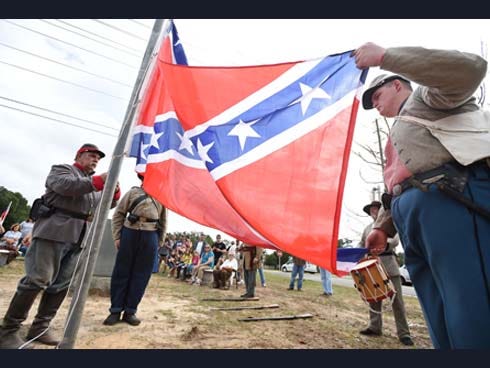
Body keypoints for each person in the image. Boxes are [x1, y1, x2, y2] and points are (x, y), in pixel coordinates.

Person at [353, 42, 490, 349]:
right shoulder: (397, 132)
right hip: (412, 217)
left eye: (377, 95)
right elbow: (398, 184)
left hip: (451, 203)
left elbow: (472, 69)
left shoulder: (431, 97)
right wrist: (382, 227)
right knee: (437, 310)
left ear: (397, 84)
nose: (375, 104)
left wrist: (385, 57)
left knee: (469, 305)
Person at [0, 143, 119, 349]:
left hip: (79, 236)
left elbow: (102, 202)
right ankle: (8, 331)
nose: (95, 159)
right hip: (53, 231)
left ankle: (40, 328)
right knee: (37, 279)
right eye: (91, 155)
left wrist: (114, 194)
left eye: (98, 158)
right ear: (79, 156)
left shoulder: (91, 183)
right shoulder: (62, 170)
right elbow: (67, 186)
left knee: (61, 284)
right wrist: (100, 181)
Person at [103, 173, 167, 327]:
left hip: (150, 235)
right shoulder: (133, 193)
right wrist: (117, 237)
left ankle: (130, 311)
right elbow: (119, 214)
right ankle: (115, 310)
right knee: (121, 271)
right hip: (129, 232)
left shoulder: (161, 197)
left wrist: (159, 242)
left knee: (141, 274)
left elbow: (163, 220)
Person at [358, 200, 413, 346]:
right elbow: (361, 243)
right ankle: (374, 327)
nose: (374, 211)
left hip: (388, 263)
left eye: (376, 209)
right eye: (371, 210)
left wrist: (382, 244)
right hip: (371, 266)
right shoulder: (367, 228)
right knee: (374, 298)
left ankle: (404, 333)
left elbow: (394, 241)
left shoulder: (390, 225)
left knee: (397, 301)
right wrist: (357, 253)